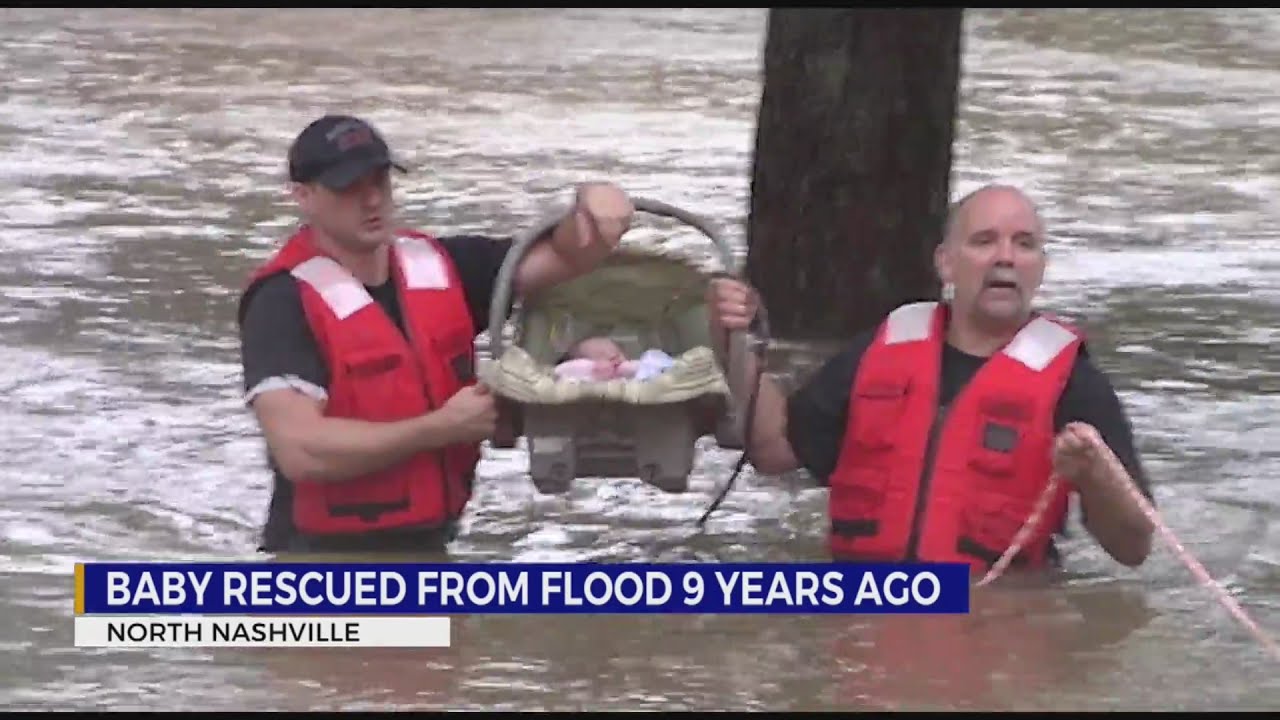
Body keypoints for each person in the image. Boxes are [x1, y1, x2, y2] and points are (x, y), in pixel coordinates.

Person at [706, 184, 1156, 573]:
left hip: (994, 615)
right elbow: (772, 450)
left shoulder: (1076, 383)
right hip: (865, 604)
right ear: (946, 264)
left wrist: (1097, 477)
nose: (1005, 257)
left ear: (1040, 268)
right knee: (693, 595)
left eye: (1024, 245)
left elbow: (1134, 549)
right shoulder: (881, 350)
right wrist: (732, 339)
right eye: (984, 241)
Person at [237, 114, 634, 554]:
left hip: (432, 545)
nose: (372, 200)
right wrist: (439, 428)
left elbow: (567, 255)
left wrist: (593, 207)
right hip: (321, 560)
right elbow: (299, 449)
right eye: (348, 187)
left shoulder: (445, 263)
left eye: (379, 180)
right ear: (303, 196)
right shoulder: (281, 302)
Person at [552, 336, 675, 381]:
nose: (614, 358)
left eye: (617, 353)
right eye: (600, 356)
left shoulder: (633, 370)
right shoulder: (584, 381)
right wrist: (593, 370)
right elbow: (560, 371)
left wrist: (637, 370)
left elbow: (658, 367)